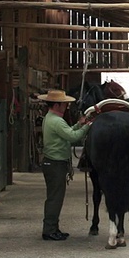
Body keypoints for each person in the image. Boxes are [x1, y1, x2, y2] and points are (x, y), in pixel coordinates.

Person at [38, 89, 90, 241]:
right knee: (55, 198)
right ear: (57, 105)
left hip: (52, 162)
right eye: (64, 104)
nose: (66, 107)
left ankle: (53, 228)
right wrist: (87, 126)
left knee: (55, 197)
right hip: (55, 163)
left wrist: (78, 125)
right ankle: (49, 231)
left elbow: (67, 132)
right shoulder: (56, 121)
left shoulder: (52, 118)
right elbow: (73, 137)